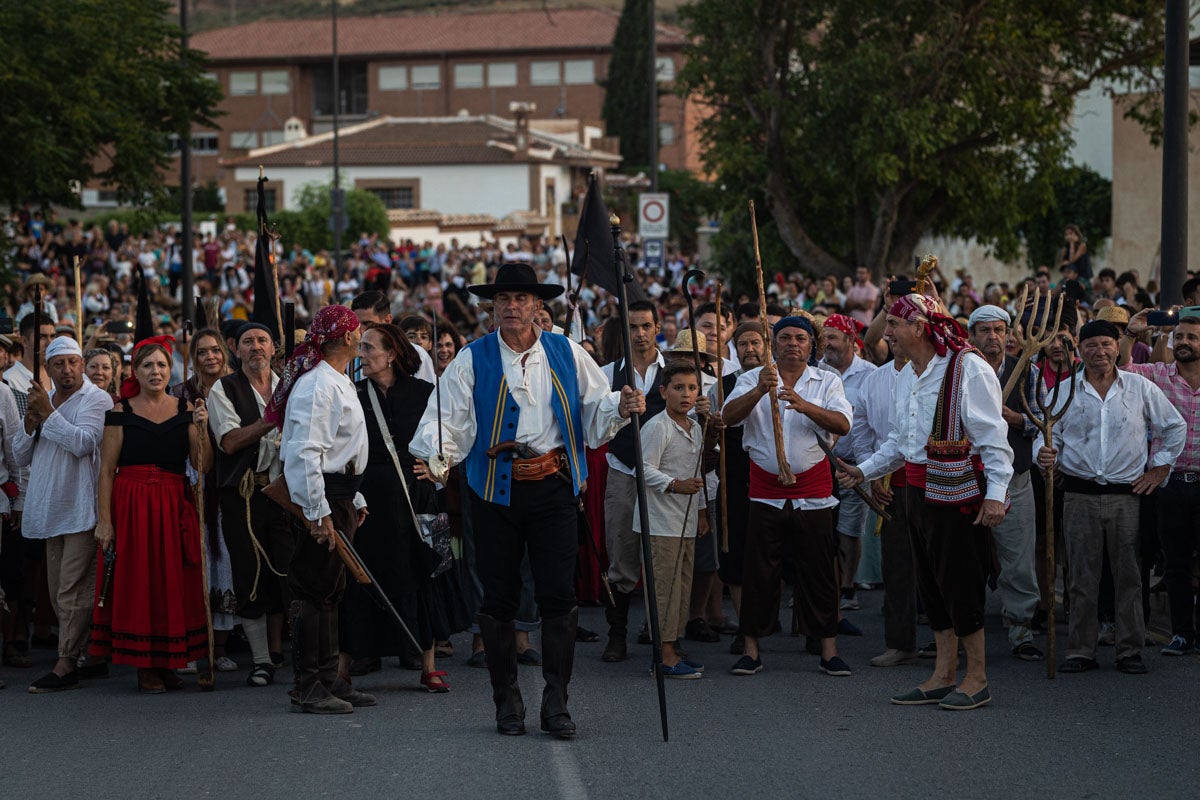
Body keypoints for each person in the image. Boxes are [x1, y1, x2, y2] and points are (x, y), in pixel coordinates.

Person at [410, 262, 644, 738]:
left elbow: (594, 408)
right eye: (503, 300)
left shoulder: (566, 351)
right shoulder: (472, 359)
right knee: (497, 599)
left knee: (559, 596)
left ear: (539, 306)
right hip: (494, 491)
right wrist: (436, 458)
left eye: (521, 299)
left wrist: (620, 406)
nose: (512, 307)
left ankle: (556, 702)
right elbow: (448, 422)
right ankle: (506, 702)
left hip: (554, 487)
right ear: (491, 308)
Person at [839, 294, 1012, 710]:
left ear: (918, 327)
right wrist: (863, 470)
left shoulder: (966, 367)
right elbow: (900, 442)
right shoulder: (904, 373)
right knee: (931, 585)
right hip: (913, 491)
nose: (888, 334)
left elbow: (993, 439)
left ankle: (977, 677)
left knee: (961, 583)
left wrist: (995, 496)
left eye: (894, 325)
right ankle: (943, 673)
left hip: (956, 492)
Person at [1038, 320, 1185, 675]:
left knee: (1130, 576)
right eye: (1091, 345)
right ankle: (1080, 651)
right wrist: (1042, 456)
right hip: (1078, 494)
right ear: (1080, 349)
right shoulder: (1063, 391)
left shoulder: (1139, 388)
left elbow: (1175, 426)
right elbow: (1044, 437)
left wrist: (1159, 468)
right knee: (1081, 578)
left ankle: (1129, 649)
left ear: (1118, 348)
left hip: (1127, 496)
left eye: (1106, 344)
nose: (1099, 351)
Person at [722, 316, 853, 679]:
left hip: (814, 492)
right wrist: (757, 392)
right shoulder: (752, 378)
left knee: (818, 572)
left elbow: (842, 424)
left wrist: (803, 404)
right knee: (759, 572)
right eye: (785, 338)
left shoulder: (826, 380)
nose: (793, 343)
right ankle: (751, 649)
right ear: (773, 344)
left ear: (812, 345)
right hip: (764, 491)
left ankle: (828, 649)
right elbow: (726, 418)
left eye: (800, 338)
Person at [343, 323, 465, 693]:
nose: (360, 354)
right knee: (359, 578)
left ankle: (426, 666)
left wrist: (436, 467)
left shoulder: (426, 393)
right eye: (359, 347)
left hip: (414, 497)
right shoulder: (352, 394)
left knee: (419, 576)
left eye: (368, 347)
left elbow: (450, 439)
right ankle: (344, 667)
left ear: (391, 354)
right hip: (366, 499)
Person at [265, 305, 373, 714]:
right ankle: (308, 685)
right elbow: (305, 453)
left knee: (331, 591)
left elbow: (342, 449)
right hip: (321, 496)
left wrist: (353, 499)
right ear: (346, 337)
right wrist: (317, 512)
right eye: (357, 329)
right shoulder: (317, 386)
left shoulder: (336, 380)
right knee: (314, 591)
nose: (360, 334)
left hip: (338, 494)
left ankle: (329, 678)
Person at [90, 337, 210, 693]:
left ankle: (168, 661)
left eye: (161, 365)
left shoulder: (186, 409)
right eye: (147, 366)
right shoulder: (119, 412)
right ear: (135, 372)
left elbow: (202, 465)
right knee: (139, 581)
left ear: (170, 369)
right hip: (132, 504)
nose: (155, 371)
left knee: (170, 581)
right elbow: (106, 469)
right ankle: (145, 665)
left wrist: (202, 427)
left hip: (173, 500)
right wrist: (105, 520)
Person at [13, 337, 111, 692]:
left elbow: (83, 443)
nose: (67, 370)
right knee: (57, 591)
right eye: (59, 364)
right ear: (48, 369)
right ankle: (84, 653)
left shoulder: (96, 399)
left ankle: (65, 662)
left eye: (73, 363)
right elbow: (22, 455)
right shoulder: (45, 400)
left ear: (82, 365)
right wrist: (30, 422)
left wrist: (48, 414)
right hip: (50, 507)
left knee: (73, 587)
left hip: (81, 504)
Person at [208, 322, 293, 687]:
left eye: (262, 341)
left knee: (284, 569)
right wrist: (270, 420)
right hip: (244, 493)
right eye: (248, 342)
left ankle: (276, 650)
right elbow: (229, 442)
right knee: (250, 572)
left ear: (274, 348)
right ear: (235, 349)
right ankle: (261, 660)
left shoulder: (289, 385)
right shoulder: (222, 388)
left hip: (286, 491)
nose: (256, 347)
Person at [966, 305, 1044, 662]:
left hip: (1014, 476)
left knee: (1017, 554)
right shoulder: (959, 370)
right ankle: (959, 630)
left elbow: (1043, 421)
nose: (992, 337)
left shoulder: (1027, 370)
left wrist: (1012, 417)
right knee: (964, 554)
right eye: (984, 330)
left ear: (1008, 334)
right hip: (968, 476)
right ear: (972, 335)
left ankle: (1021, 626)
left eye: (998, 330)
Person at [1121, 309, 1200, 656]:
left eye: (1192, 337)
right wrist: (1131, 332)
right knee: (1176, 563)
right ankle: (1182, 634)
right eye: (1179, 336)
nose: (1183, 342)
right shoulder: (1158, 376)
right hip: (1169, 484)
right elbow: (1122, 370)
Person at [599, 300, 665, 663]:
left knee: (663, 554)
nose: (639, 334)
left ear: (657, 327)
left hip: (663, 476)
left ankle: (663, 636)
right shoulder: (607, 373)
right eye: (632, 327)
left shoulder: (673, 371)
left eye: (645, 326)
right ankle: (617, 634)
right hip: (623, 470)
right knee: (621, 555)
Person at [171, 328, 239, 674]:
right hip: (194, 481)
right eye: (202, 352)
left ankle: (222, 645)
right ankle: (192, 644)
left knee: (223, 558)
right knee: (195, 560)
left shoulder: (236, 386)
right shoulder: (181, 393)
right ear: (193, 357)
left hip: (231, 482)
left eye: (215, 350)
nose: (210, 357)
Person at [639, 361, 708, 678]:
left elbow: (700, 474)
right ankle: (662, 658)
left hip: (686, 521)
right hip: (660, 523)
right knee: (664, 591)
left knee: (681, 587)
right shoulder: (657, 426)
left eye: (692, 388)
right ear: (663, 391)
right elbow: (644, 469)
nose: (686, 394)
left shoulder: (695, 427)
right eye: (679, 388)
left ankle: (673, 648)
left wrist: (702, 509)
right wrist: (673, 484)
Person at [821, 314, 876, 611]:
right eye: (824, 337)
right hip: (819, 462)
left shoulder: (870, 374)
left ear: (850, 341)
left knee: (850, 530)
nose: (826, 344)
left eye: (832, 337)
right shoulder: (814, 370)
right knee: (821, 527)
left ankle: (847, 587)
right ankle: (822, 584)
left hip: (855, 464)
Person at [351, 290, 436, 382]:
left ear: (387, 320)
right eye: (357, 325)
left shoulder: (416, 355)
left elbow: (428, 395)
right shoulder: (351, 356)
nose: (361, 330)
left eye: (367, 324)